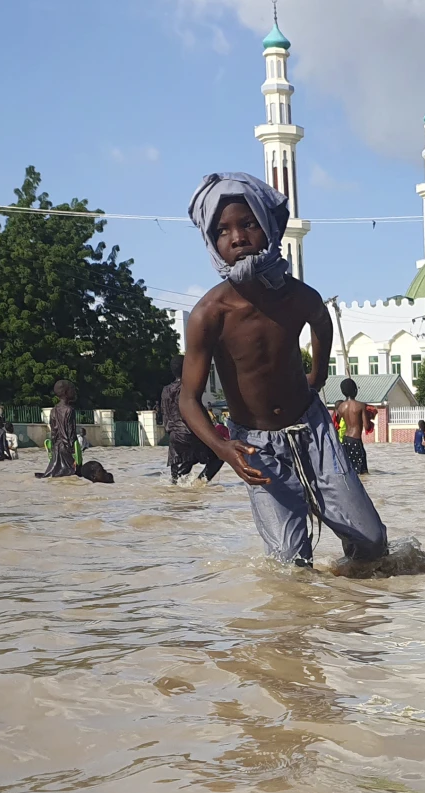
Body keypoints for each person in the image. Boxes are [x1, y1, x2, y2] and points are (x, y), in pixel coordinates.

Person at [180, 171, 387, 565]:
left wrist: (317, 376)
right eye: (222, 231)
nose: (237, 237)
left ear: (270, 226)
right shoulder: (209, 314)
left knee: (373, 543)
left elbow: (321, 320)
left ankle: (360, 615)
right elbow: (189, 400)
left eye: (249, 224)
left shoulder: (296, 296)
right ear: (211, 242)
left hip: (313, 430)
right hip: (255, 445)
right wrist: (225, 449)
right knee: (290, 565)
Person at [162, 355, 224, 485]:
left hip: (174, 436)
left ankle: (181, 501)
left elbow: (166, 414)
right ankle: (199, 483)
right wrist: (211, 430)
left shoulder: (166, 390)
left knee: (177, 479)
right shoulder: (189, 388)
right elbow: (196, 410)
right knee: (220, 455)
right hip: (190, 433)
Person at [37, 380, 80, 478]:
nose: (74, 391)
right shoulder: (70, 410)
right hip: (67, 449)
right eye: (72, 389)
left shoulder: (53, 410)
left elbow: (53, 432)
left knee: (55, 475)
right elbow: (71, 433)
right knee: (73, 476)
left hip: (56, 448)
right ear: (66, 392)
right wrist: (75, 453)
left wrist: (52, 449)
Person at [332, 378, 370, 475]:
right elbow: (367, 426)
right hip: (356, 441)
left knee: (350, 471)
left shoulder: (340, 407)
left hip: (345, 441)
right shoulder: (361, 406)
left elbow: (334, 424)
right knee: (362, 472)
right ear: (355, 390)